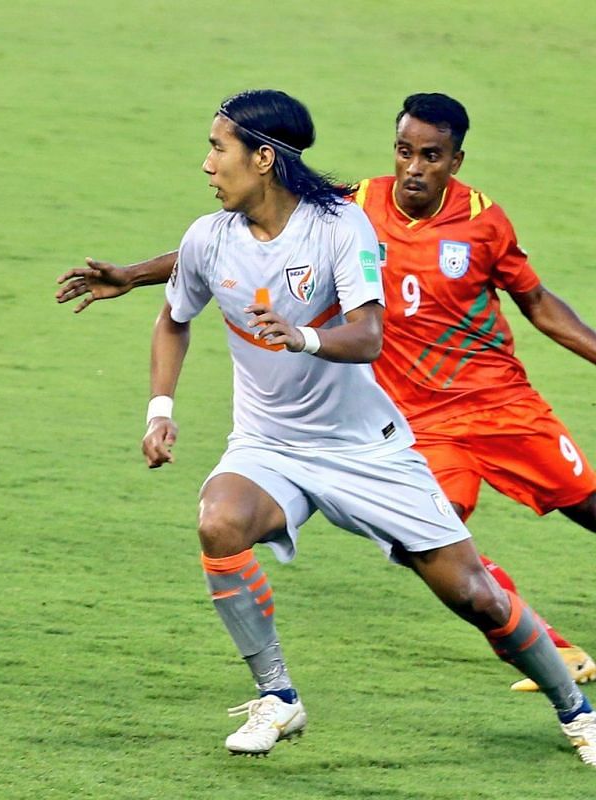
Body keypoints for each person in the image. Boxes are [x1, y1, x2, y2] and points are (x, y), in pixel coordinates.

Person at [64, 88, 596, 765]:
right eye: (404, 150)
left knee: (474, 595)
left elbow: (370, 336)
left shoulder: (343, 226)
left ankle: (579, 715)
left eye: (216, 148)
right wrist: (158, 404)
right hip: (271, 445)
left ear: (262, 158)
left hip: (368, 445)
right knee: (219, 522)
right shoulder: (218, 234)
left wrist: (302, 339)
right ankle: (277, 698)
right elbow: (184, 300)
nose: (205, 164)